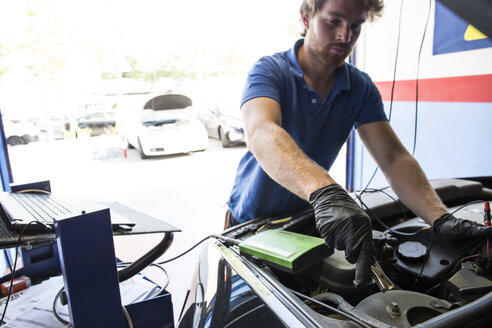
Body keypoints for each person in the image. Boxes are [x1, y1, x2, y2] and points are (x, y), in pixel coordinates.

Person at [226, 0, 492, 287]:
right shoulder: (269, 71)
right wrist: (327, 193)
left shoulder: (360, 87)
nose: (345, 36)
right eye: (333, 21)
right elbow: (262, 131)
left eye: (356, 26)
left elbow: (393, 159)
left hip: (307, 223)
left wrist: (440, 219)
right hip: (251, 224)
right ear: (306, 18)